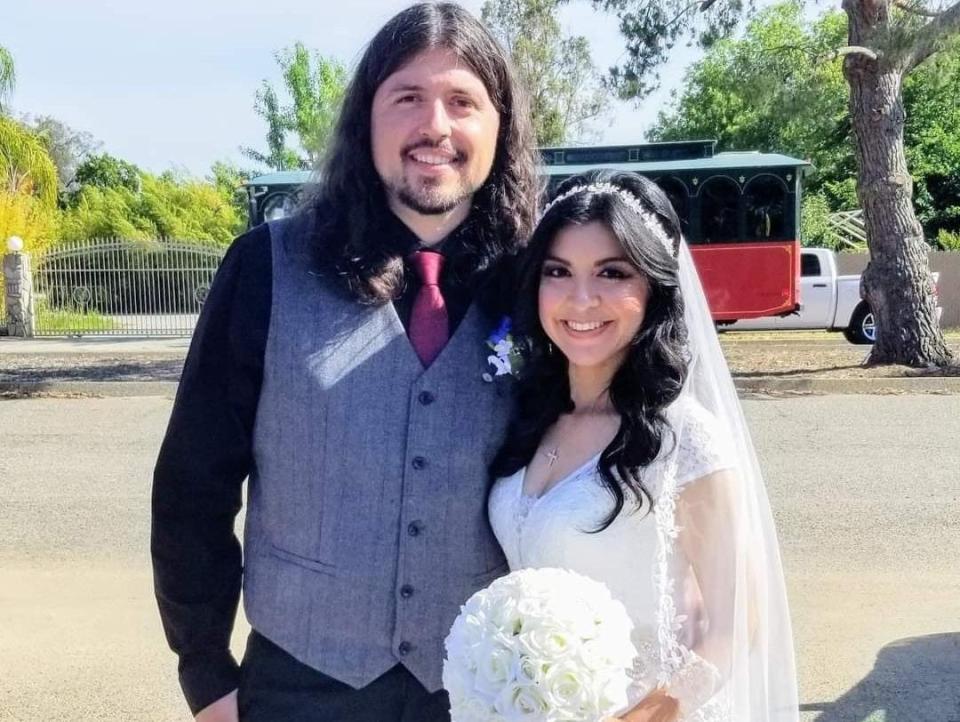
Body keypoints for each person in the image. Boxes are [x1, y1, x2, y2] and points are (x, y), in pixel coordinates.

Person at [151, 4, 539, 721]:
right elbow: (192, 484)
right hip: (299, 687)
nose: (436, 126)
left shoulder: (541, 282)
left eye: (462, 102)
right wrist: (206, 673)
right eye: (407, 98)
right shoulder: (266, 267)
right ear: (367, 119)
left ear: (499, 126)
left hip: (486, 686)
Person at [488, 170, 800, 721]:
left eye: (612, 273)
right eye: (558, 272)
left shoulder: (685, 438)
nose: (581, 299)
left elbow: (737, 621)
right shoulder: (530, 419)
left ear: (653, 287)